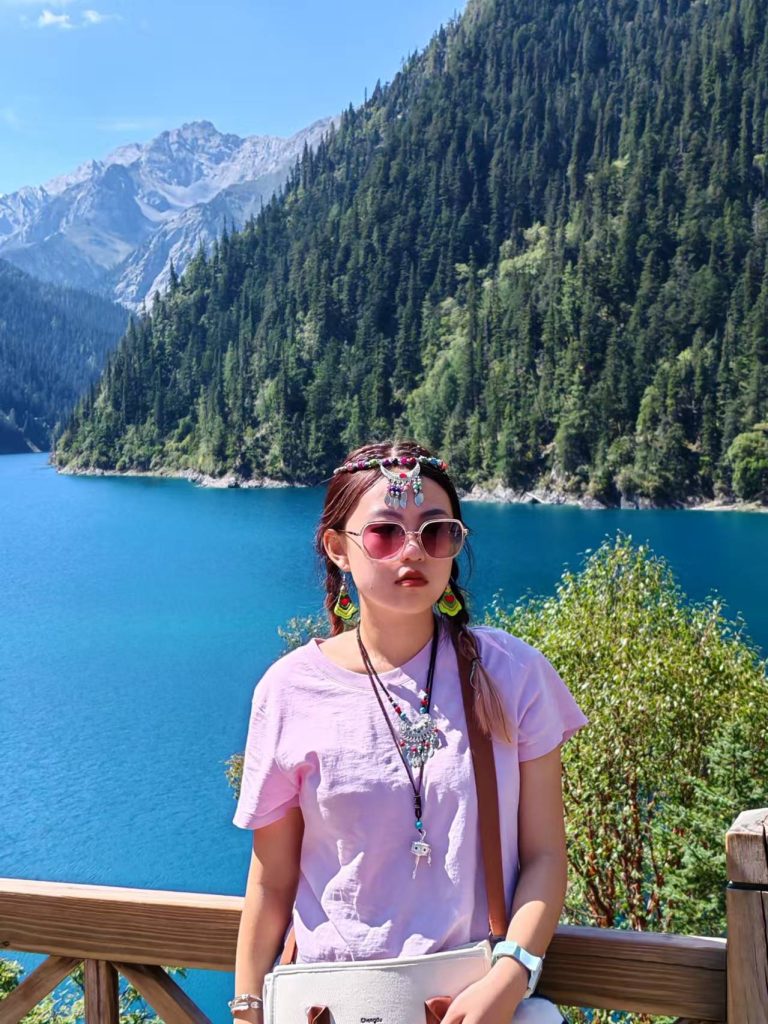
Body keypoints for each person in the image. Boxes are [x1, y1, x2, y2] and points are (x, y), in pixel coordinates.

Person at [231, 439, 588, 1024]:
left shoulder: (511, 674)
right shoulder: (289, 690)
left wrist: (509, 976)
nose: (414, 551)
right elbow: (271, 883)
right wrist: (248, 1009)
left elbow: (545, 855)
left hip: (466, 1002)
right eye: (385, 533)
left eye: (437, 532)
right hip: (328, 1007)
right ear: (338, 549)